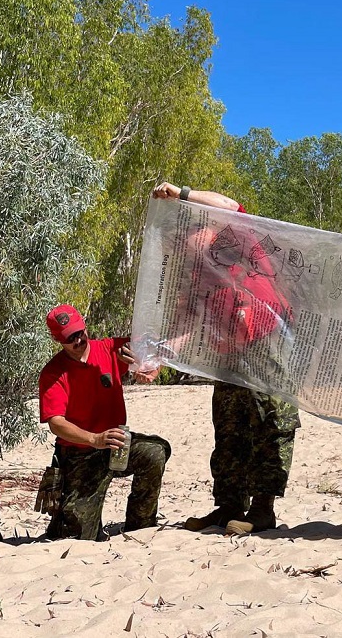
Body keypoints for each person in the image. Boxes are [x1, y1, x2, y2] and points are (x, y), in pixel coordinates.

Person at [151, 182, 301, 535]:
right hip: (227, 350)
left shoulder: (235, 237)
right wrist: (163, 353)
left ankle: (263, 509)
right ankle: (229, 505)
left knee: (271, 419)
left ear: (203, 228)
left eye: (185, 240)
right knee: (229, 425)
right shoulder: (195, 271)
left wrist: (182, 194)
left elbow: (231, 205)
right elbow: (190, 322)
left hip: (266, 339)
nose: (182, 248)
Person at [38, 304, 171, 541]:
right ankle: (66, 518)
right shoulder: (53, 373)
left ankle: (141, 524)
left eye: (79, 332)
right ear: (57, 340)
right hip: (79, 455)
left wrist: (150, 368)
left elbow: (154, 348)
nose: (78, 340)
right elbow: (56, 423)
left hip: (116, 445)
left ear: (85, 326)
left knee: (154, 452)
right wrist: (94, 439)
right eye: (70, 338)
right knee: (78, 538)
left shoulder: (111, 349)